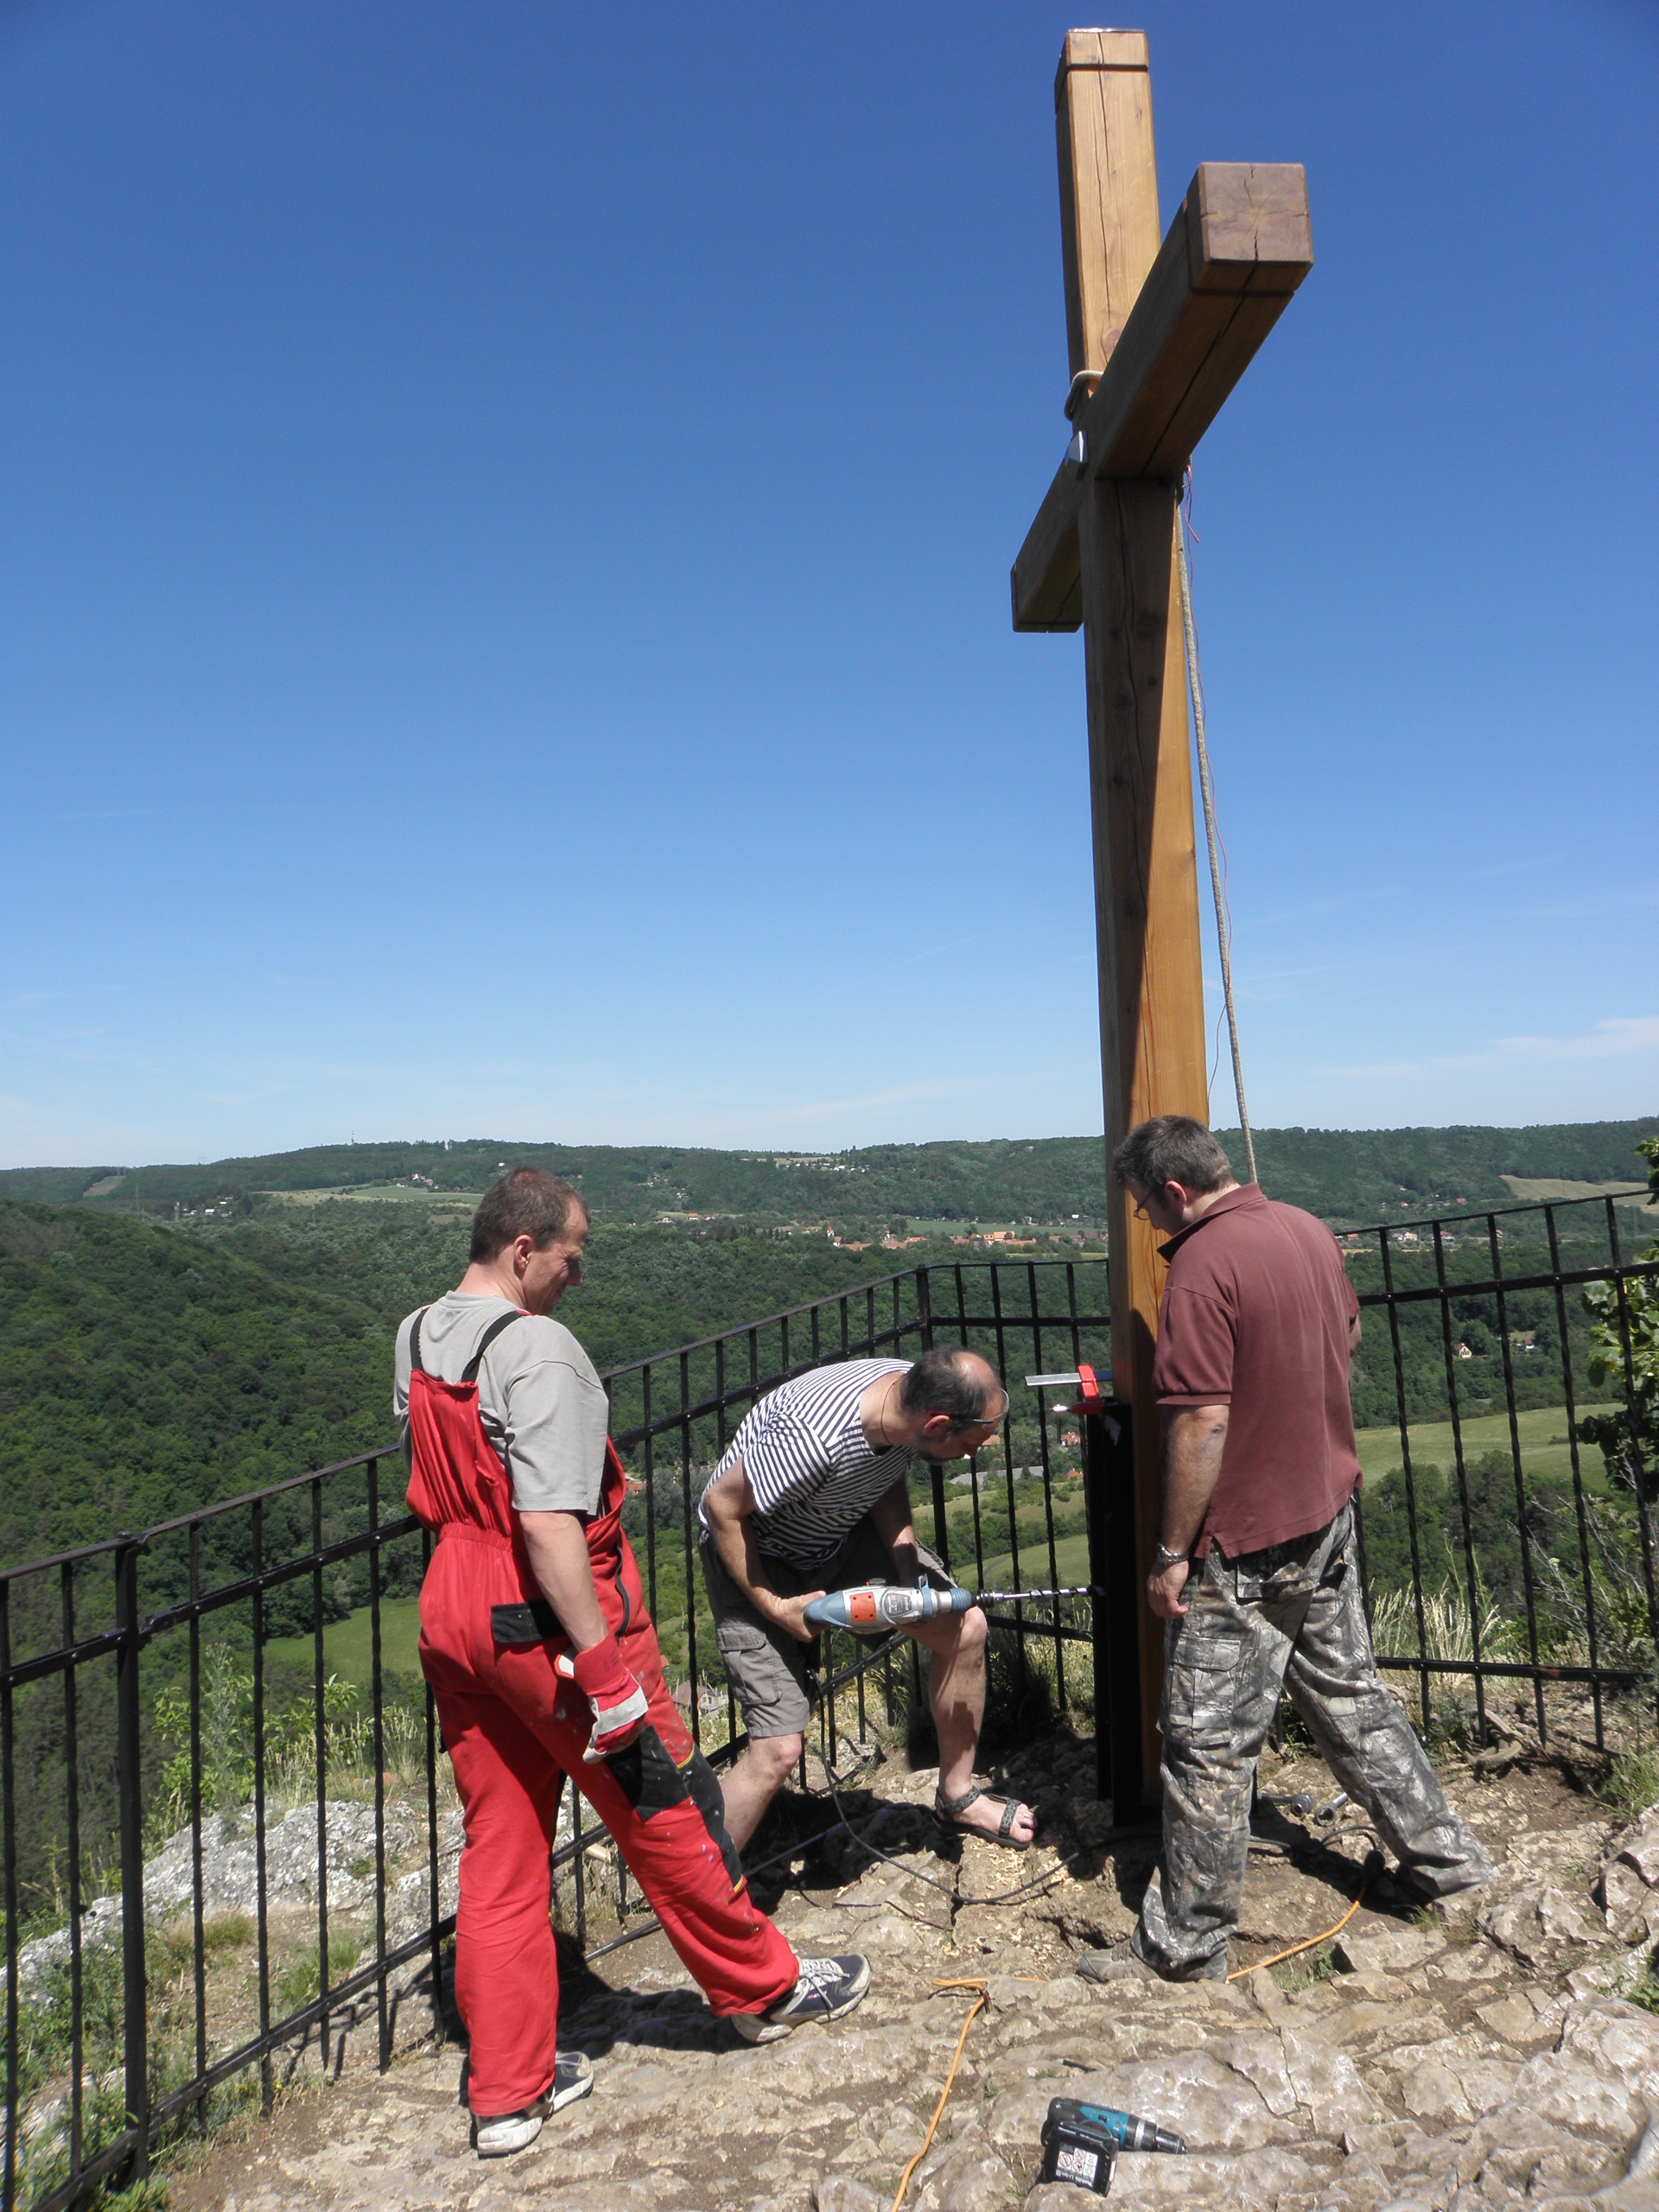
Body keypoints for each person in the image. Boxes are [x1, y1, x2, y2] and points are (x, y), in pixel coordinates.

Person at [395, 1167, 869, 2159]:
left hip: (454, 1605)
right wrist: (605, 1671)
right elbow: (545, 1525)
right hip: (549, 1622)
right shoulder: (545, 1352)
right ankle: (765, 1988)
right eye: (573, 1255)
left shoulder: (419, 1333)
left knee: (501, 1846)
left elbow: (458, 1475)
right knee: (665, 1809)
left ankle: (508, 2092)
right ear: (524, 1249)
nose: (580, 1275)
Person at [1085, 1116, 1494, 1984]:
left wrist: (1169, 1553)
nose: (1152, 1226)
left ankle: (1184, 1946)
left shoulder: (1200, 1268)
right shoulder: (1305, 1228)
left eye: (1147, 1212)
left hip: (1246, 1542)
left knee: (1206, 1744)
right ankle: (1450, 1865)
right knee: (1352, 1697)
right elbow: (1343, 1339)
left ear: (1174, 1192)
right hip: (1326, 1508)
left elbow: (1201, 1419)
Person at [698, 1348, 1038, 1853]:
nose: (972, 1456)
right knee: (778, 1750)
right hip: (756, 1556)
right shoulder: (812, 1437)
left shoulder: (907, 1397)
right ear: (939, 1422)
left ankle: (958, 1796)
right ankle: (694, 1891)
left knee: (965, 1628)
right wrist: (775, 1606)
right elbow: (720, 1506)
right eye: (971, 1444)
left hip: (836, 1534)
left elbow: (882, 1473)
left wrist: (904, 1567)